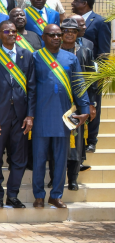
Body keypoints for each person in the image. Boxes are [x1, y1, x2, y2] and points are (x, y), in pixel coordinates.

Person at [31, 24, 89, 208]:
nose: (56, 38)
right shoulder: (36, 57)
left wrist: (85, 109)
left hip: (63, 117)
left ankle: (55, 195)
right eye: (52, 35)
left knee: (61, 158)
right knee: (39, 159)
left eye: (59, 35)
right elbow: (30, 89)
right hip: (41, 116)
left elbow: (79, 85)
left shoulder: (71, 58)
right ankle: (39, 195)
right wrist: (29, 115)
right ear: (43, 37)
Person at [0, 20, 36, 208]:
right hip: (0, 115)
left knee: (19, 158)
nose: (12, 33)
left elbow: (31, 87)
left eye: (14, 31)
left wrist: (30, 115)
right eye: (7, 31)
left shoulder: (26, 56)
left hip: (21, 116)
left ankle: (12, 195)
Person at [58, 18, 97, 190]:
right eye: (66, 31)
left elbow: (92, 80)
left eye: (73, 31)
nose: (69, 34)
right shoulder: (53, 52)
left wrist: (91, 104)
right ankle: (55, 178)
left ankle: (72, 179)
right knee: (58, 143)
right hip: (58, 104)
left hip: (78, 105)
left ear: (78, 33)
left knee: (76, 144)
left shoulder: (85, 52)